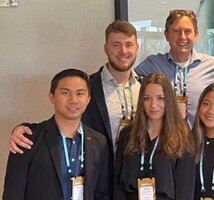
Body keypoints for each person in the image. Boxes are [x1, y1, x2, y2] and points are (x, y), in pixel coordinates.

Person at [8, 20, 141, 195]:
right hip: (96, 175)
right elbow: (64, 118)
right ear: (106, 48)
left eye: (128, 45)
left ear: (137, 48)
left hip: (135, 179)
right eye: (116, 45)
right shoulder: (89, 86)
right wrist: (20, 130)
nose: (123, 51)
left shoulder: (147, 89)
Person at [3, 69, 110, 200]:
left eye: (80, 93)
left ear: (88, 99)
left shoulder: (99, 142)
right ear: (51, 96)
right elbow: (13, 193)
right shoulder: (27, 139)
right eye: (65, 93)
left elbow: (102, 193)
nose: (73, 100)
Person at [134, 9, 214, 127]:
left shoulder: (212, 66)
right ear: (166, 35)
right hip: (164, 142)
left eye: (187, 31)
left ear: (196, 35)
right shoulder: (152, 64)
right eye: (176, 31)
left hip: (200, 141)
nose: (182, 37)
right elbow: (128, 80)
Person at [114, 73, 195, 199]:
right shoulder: (127, 135)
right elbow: (117, 185)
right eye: (147, 98)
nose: (153, 105)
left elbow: (185, 189)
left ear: (168, 100)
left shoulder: (182, 136)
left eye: (160, 98)